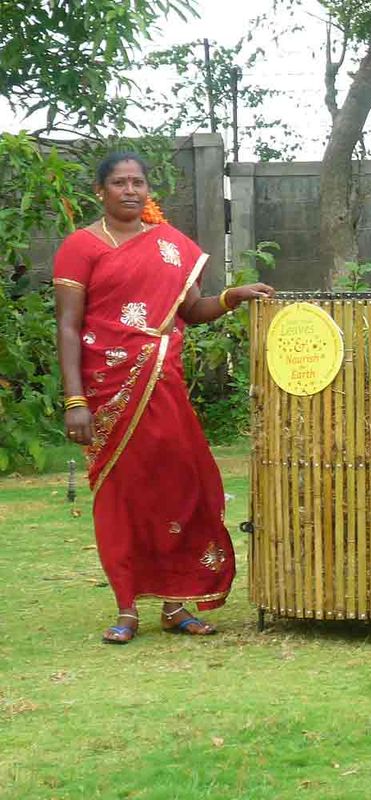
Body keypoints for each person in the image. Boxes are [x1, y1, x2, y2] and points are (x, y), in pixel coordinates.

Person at [53, 152, 274, 644]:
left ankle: (176, 605)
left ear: (148, 190)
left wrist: (231, 297)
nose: (130, 190)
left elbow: (190, 311)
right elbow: (68, 327)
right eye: (119, 183)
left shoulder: (172, 246)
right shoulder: (80, 246)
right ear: (101, 191)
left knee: (180, 488)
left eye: (138, 183)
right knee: (121, 497)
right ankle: (127, 608)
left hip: (164, 386)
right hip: (106, 392)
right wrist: (75, 401)